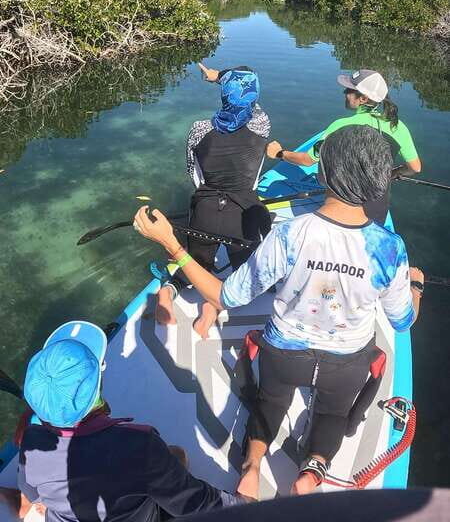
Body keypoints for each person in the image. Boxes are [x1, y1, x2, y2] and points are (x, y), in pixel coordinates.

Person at [134, 125, 424, 499]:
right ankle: (310, 474)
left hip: (285, 353)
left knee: (269, 403)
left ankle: (251, 469)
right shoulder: (390, 248)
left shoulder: (291, 235)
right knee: (333, 416)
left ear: (325, 173)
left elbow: (225, 295)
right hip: (347, 362)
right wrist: (415, 287)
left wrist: (173, 244)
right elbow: (403, 321)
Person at [17, 320, 244, 522]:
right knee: (177, 455)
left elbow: (32, 492)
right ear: (97, 389)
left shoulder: (31, 442)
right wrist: (243, 507)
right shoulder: (140, 445)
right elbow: (193, 502)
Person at [156, 62, 271, 337]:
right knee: (247, 274)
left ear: (223, 95)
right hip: (243, 215)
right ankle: (213, 306)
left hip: (205, 210)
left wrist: (217, 77)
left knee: (195, 263)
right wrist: (220, 77)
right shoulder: (262, 126)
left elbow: (193, 174)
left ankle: (166, 293)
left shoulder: (198, 129)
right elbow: (251, 101)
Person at [266, 69, 422, 224]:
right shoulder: (398, 127)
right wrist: (392, 174)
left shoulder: (340, 126)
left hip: (341, 210)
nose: (344, 93)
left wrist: (280, 153)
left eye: (348, 90)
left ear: (363, 98)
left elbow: (307, 161)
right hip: (377, 210)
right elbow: (415, 168)